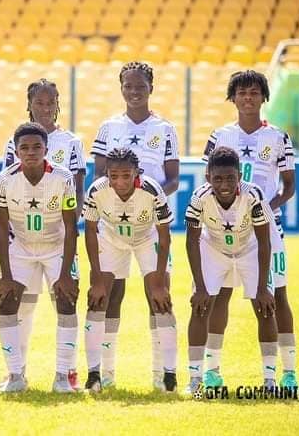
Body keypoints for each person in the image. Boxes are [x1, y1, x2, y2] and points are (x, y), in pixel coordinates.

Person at [202, 70, 297, 389]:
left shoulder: (278, 137)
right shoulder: (219, 136)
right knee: (220, 296)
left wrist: (267, 210)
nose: (247, 98)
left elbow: (288, 187)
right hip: (225, 231)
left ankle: (287, 373)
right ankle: (212, 372)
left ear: (263, 97)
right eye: (241, 92)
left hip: (266, 231)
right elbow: (208, 179)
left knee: (275, 298)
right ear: (233, 97)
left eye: (254, 92)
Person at [90, 61, 180, 391]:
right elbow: (100, 174)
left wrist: (146, 196)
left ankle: (162, 376)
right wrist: (121, 200)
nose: (134, 91)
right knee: (111, 296)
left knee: (158, 295)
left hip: (151, 226)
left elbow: (172, 179)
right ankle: (106, 374)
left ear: (151, 88)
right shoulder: (108, 127)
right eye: (128, 85)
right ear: (121, 88)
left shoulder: (165, 128)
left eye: (141, 85)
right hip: (113, 225)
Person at [3, 78, 85, 388]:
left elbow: (76, 188)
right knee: (23, 304)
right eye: (40, 102)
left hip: (58, 236)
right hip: (23, 238)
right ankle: (16, 370)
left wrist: (68, 228)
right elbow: (10, 187)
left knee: (64, 299)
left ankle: (68, 371)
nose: (46, 108)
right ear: (29, 105)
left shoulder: (71, 142)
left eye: (51, 102)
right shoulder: (16, 142)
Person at [185, 146, 277, 394]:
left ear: (240, 176)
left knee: (265, 308)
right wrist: (200, 286)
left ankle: (270, 380)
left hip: (249, 249)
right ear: (208, 177)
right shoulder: (199, 197)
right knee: (201, 307)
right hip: (213, 249)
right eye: (217, 178)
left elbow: (265, 241)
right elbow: (192, 240)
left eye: (230, 178)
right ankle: (195, 379)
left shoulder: (253, 195)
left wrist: (262, 288)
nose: (224, 184)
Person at [82, 147, 173, 392]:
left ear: (136, 172)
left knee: (161, 301)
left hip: (147, 239)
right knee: (99, 300)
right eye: (114, 176)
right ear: (106, 174)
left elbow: (164, 236)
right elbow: (90, 231)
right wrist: (97, 278)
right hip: (111, 239)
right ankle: (98, 375)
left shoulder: (152, 190)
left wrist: (159, 282)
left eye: (126, 175)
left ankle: (165, 376)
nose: (120, 182)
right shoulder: (97, 191)